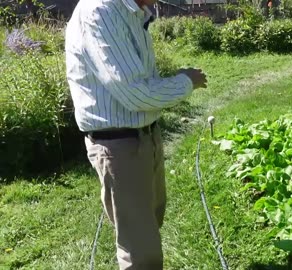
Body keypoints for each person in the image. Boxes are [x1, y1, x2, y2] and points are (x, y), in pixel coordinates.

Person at [65, 0, 207, 269]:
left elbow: (138, 80)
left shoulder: (133, 11)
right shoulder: (100, 11)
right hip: (119, 146)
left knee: (149, 224)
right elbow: (135, 92)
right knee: (140, 251)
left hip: (143, 137)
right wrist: (186, 81)